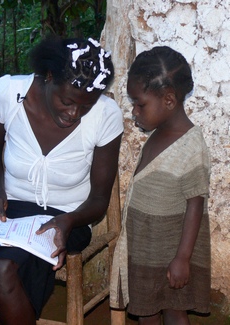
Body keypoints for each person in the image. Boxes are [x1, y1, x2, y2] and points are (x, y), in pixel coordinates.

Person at [0, 36, 124, 325]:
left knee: (2, 270)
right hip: (8, 212)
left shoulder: (105, 116)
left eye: (84, 106)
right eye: (67, 101)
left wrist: (68, 221)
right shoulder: (8, 93)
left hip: (66, 219)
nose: (74, 113)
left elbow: (100, 200)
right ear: (49, 76)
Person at [110, 46, 211, 324]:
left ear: (168, 100)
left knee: (175, 310)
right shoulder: (157, 134)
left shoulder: (191, 146)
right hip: (147, 250)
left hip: (172, 254)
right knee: (146, 310)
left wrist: (182, 259)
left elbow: (195, 203)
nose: (134, 112)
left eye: (139, 104)